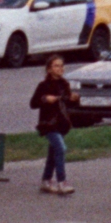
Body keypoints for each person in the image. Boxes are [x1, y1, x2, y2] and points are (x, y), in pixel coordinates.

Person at [30, 56, 78, 196]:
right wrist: (45, 99)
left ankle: (46, 179)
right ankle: (61, 181)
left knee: (53, 152)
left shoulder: (64, 84)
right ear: (49, 69)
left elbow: (67, 102)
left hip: (61, 123)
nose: (60, 68)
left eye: (62, 65)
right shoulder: (43, 86)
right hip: (48, 123)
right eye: (56, 66)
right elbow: (33, 103)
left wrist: (73, 98)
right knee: (60, 148)